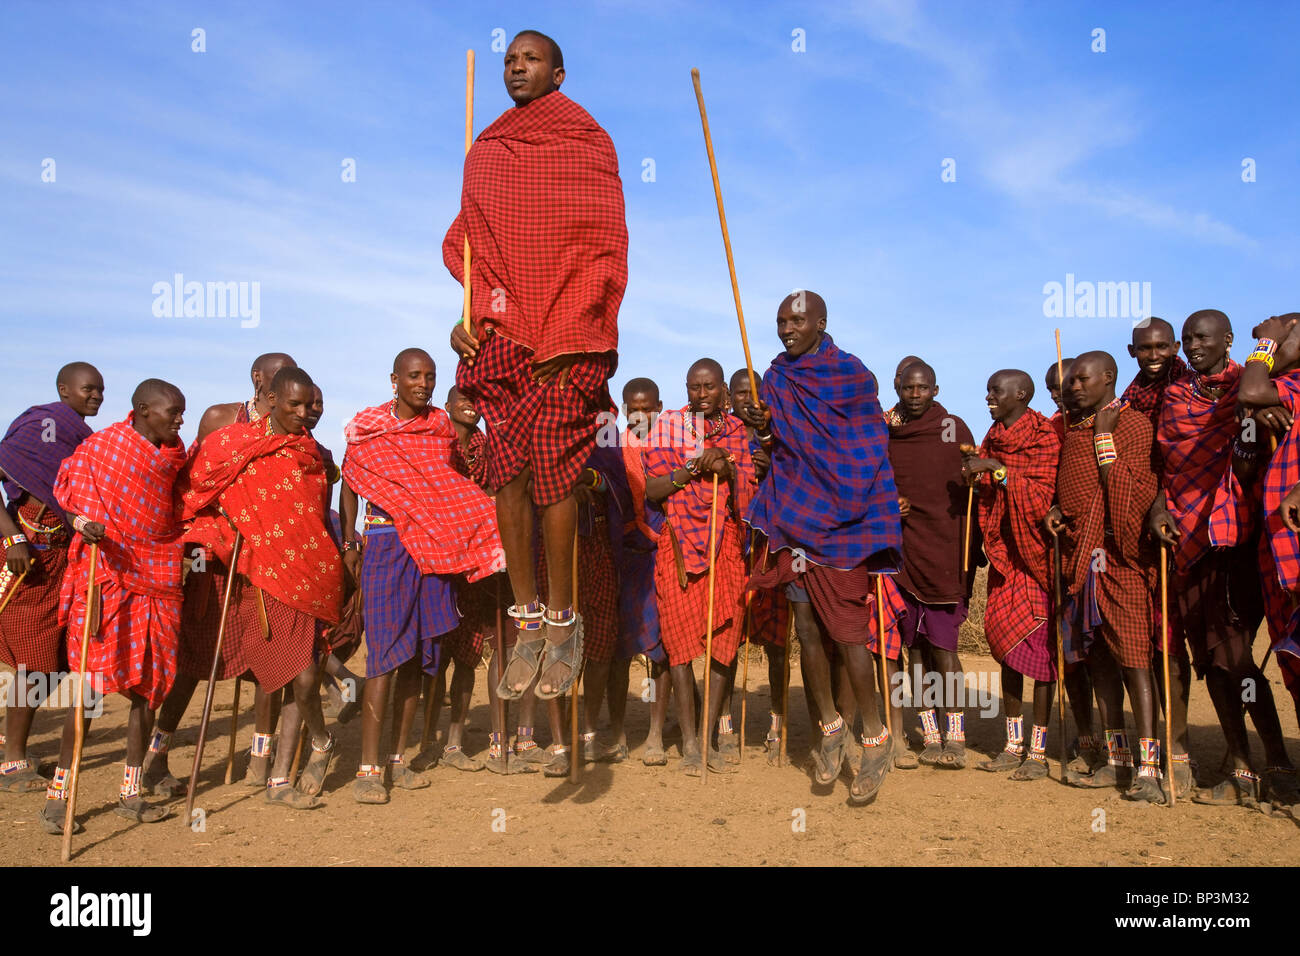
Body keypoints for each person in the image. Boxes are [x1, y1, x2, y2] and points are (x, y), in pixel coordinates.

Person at [446, 30, 628, 707]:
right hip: (505, 332)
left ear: (558, 72)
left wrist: (574, 328)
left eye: (529, 59)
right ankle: (527, 619)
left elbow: (600, 243)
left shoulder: (587, 143)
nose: (515, 66)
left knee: (555, 476)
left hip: (570, 336)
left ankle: (564, 620)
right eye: (507, 59)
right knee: (509, 476)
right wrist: (468, 313)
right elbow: (474, 245)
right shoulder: (486, 150)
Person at [740, 291, 903, 803]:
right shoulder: (774, 379)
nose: (786, 329)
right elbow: (775, 449)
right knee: (806, 629)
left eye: (796, 321)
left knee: (849, 635)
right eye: (780, 322)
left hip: (842, 523)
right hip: (796, 517)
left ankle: (875, 736)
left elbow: (867, 443)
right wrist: (763, 431)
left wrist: (844, 496)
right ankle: (829, 726)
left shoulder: (851, 374)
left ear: (821, 323)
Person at [340, 349, 502, 803]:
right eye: (414, 376)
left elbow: (443, 485)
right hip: (387, 543)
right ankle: (368, 770)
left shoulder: (439, 429)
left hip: (432, 548)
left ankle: (396, 760)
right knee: (385, 655)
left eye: (430, 377)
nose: (423, 384)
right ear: (395, 379)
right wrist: (351, 540)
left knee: (419, 655)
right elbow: (351, 480)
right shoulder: (370, 428)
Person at [180, 366, 343, 809]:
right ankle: (305, 757)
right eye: (292, 404)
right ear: (269, 398)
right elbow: (194, 491)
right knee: (281, 675)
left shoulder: (311, 452)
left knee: (304, 679)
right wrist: (223, 530)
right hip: (251, 573)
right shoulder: (229, 442)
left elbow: (313, 512)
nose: (302, 413)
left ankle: (298, 763)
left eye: (307, 405)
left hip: (305, 571)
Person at [143, 352, 297, 793]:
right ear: (257, 379)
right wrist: (216, 533)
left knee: (270, 655)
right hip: (212, 558)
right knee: (195, 658)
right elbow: (191, 487)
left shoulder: (292, 427)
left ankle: (260, 760)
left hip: (267, 559)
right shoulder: (219, 418)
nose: (284, 385)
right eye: (276, 377)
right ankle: (156, 755)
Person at [41, 380, 187, 833]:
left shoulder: (172, 460)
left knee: (147, 692)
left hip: (158, 578)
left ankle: (131, 791)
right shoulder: (101, 449)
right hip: (105, 578)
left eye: (183, 412)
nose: (179, 420)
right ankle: (57, 798)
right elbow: (71, 500)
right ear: (143, 409)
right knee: (86, 692)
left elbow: (178, 514)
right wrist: (85, 524)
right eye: (172, 412)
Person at [1045, 351, 1164, 803]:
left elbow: (1131, 493)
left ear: (1109, 378)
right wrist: (1056, 511)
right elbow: (1071, 491)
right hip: (1079, 561)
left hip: (1119, 557)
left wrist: (1103, 437)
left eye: (1082, 379)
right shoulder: (1071, 433)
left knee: (1135, 662)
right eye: (1069, 380)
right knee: (1098, 663)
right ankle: (1118, 759)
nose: (1073, 387)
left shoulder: (1132, 426)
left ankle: (1150, 769)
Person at [644, 358, 752, 775]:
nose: (701, 394)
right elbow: (653, 490)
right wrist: (692, 467)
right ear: (686, 389)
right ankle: (688, 742)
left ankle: (707, 738)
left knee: (723, 643)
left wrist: (727, 468)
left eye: (709, 387)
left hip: (723, 545)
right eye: (694, 387)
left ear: (723, 389)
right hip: (677, 547)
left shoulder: (738, 432)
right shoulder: (668, 427)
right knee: (680, 647)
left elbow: (750, 496)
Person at [0, 362, 101, 792]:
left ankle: (11, 743)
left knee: (55, 666)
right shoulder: (40, 426)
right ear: (64, 389)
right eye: (87, 389)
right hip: (26, 563)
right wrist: (11, 540)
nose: (95, 396)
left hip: (63, 565)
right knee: (33, 665)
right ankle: (12, 763)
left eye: (100, 390)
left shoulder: (86, 442)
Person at [963, 370, 1059, 780]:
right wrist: (977, 474)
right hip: (1005, 561)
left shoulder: (1044, 437)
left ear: (1020, 395)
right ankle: (1012, 742)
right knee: (1007, 651)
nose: (988, 397)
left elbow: (1042, 497)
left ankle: (1037, 752)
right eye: (987, 389)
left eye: (995, 390)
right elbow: (987, 495)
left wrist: (998, 471)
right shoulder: (992, 436)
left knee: (1040, 659)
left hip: (1036, 559)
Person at [887, 360, 978, 768]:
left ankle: (956, 736)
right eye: (909, 389)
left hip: (944, 551)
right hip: (904, 551)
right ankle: (930, 733)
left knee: (944, 648)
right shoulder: (888, 431)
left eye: (923, 389)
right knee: (915, 650)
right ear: (899, 387)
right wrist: (891, 506)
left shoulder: (953, 430)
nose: (916, 395)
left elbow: (968, 492)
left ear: (936, 390)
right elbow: (877, 480)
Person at [616, 378, 674, 766]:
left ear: (660, 406)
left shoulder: (672, 445)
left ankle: (655, 733)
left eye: (648, 408)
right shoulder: (614, 449)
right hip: (623, 555)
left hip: (664, 553)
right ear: (622, 409)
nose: (640, 415)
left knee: (660, 648)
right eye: (632, 408)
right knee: (619, 649)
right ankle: (617, 732)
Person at [1120, 318, 1187, 426]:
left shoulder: (1192, 389)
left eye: (1162, 347)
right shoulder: (1127, 402)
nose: (1154, 356)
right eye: (1144, 348)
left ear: (1175, 348)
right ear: (1132, 351)